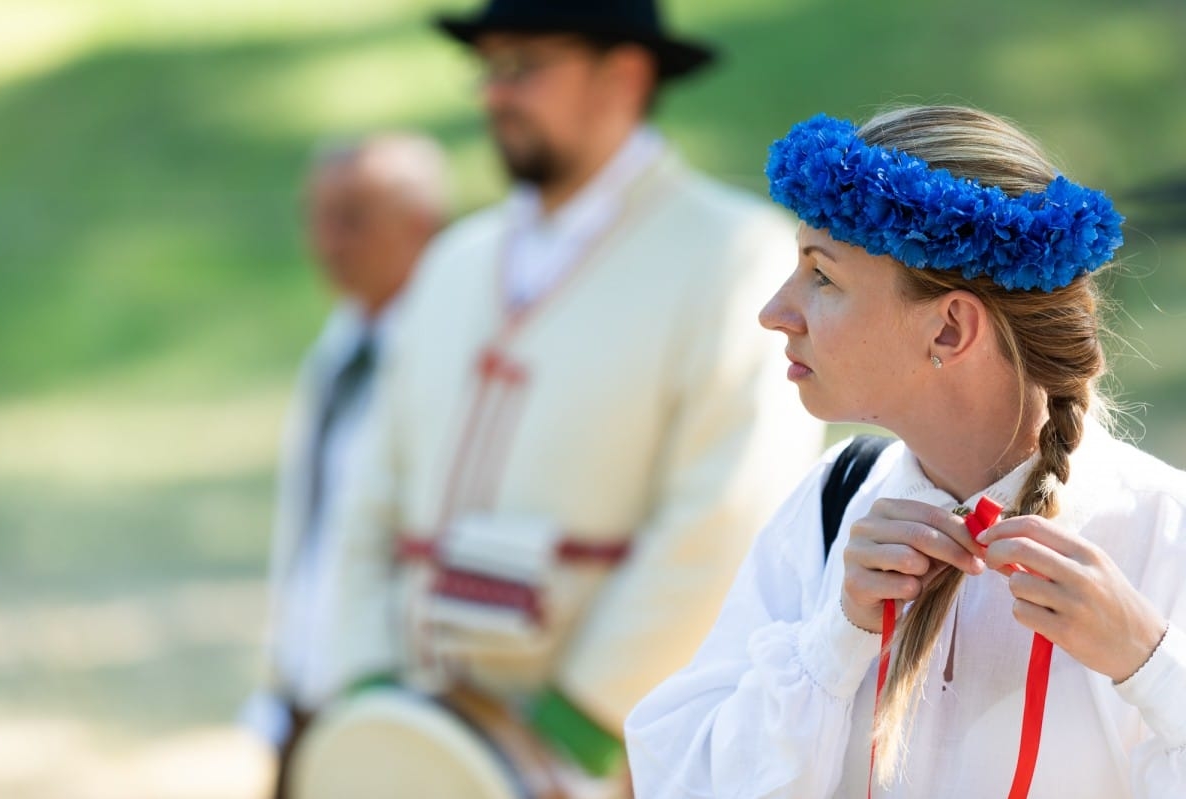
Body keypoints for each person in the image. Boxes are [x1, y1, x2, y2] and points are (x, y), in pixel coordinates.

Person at [312, 0, 824, 795]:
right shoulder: (453, 262)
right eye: (488, 67)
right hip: (418, 741)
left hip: (616, 760)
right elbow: (370, 489)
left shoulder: (733, 258)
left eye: (524, 65)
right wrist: (371, 680)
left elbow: (727, 511)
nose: (494, 93)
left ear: (623, 74)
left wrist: (579, 726)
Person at [625, 105, 1186, 798]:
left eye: (822, 276)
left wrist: (1150, 664)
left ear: (949, 329)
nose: (775, 311)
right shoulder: (831, 504)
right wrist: (836, 636)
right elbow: (682, 780)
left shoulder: (1164, 535)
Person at [242, 134, 450, 799]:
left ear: (419, 225)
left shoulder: (452, 355)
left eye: (352, 218)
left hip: (393, 691)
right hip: (306, 681)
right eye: (317, 216)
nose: (328, 241)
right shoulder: (339, 346)